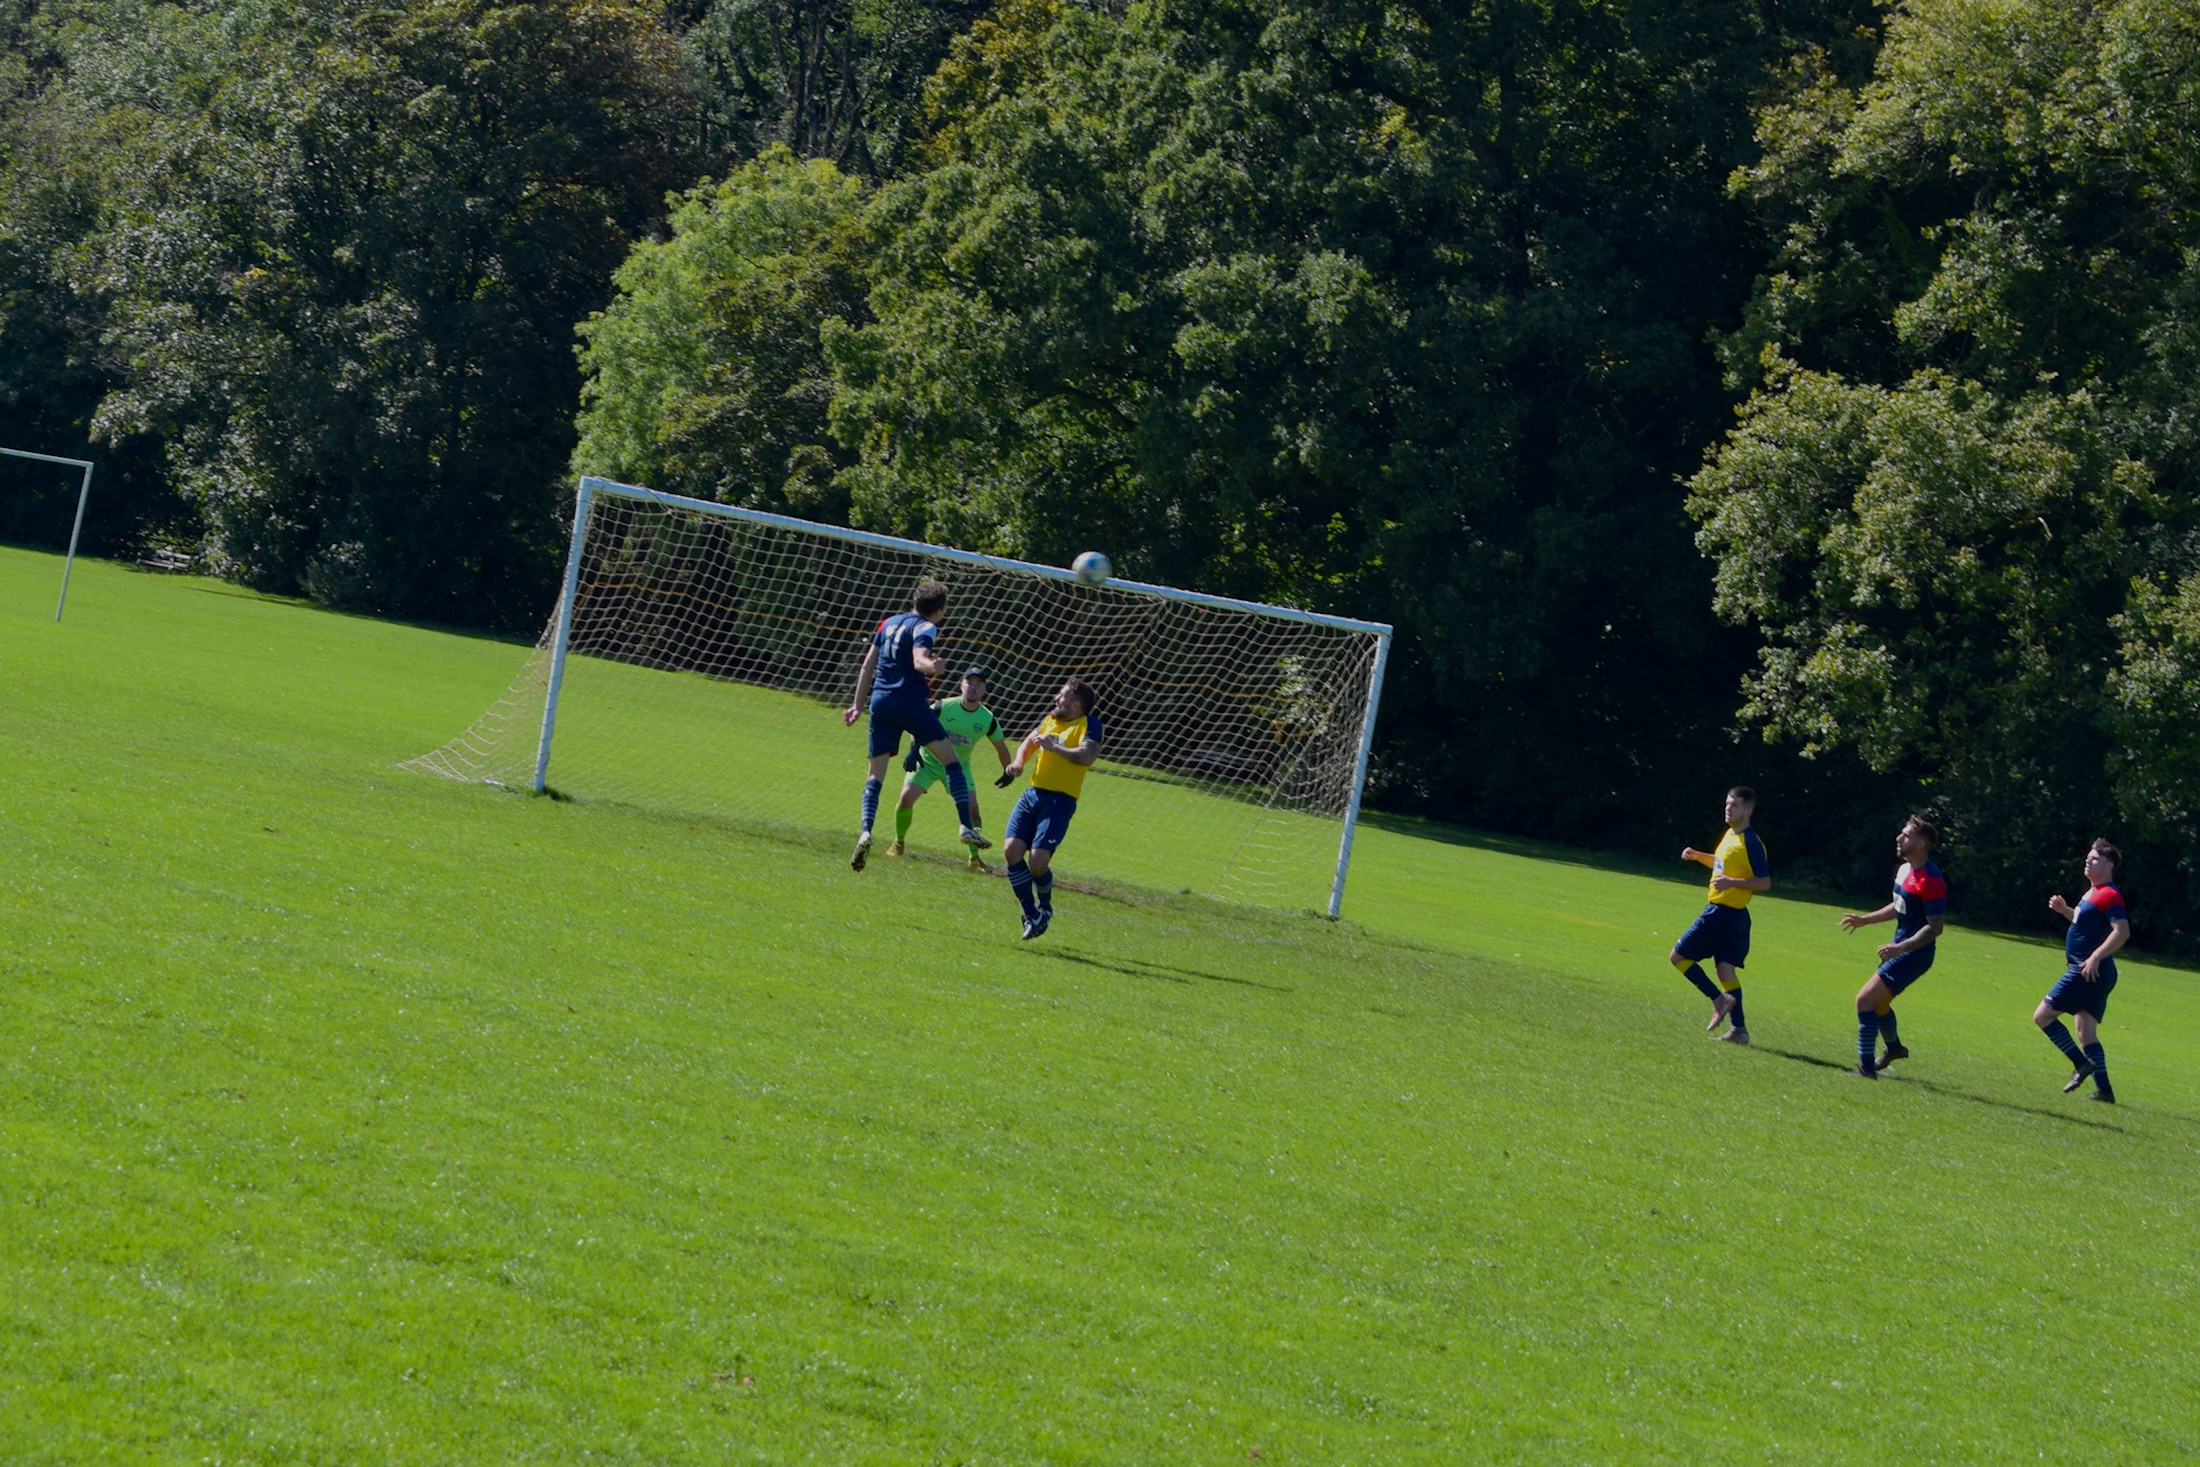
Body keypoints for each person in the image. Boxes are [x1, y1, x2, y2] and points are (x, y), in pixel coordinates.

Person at [841, 581, 988, 871]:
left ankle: (866, 831)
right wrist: (932, 666)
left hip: (880, 702)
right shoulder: (925, 627)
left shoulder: (888, 623)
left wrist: (857, 705)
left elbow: (867, 665)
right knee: (952, 761)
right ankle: (964, 826)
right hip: (909, 702)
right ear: (940, 610)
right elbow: (919, 660)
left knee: (875, 775)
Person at [1838, 817, 1947, 1078]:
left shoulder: (1931, 879)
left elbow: (1935, 927)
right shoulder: (1905, 870)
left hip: (1915, 954)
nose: (1899, 838)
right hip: (1900, 949)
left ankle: (1866, 1069)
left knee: (1864, 999)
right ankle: (1894, 1048)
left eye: (1906, 835)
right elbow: (1899, 907)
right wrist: (1865, 920)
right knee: (1878, 1004)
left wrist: (1902, 948)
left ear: (1921, 843)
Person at [997, 679, 1101, 940]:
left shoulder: (1090, 725)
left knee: (1038, 861)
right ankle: (1032, 914)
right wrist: (1018, 763)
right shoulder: (1050, 720)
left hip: (1060, 801)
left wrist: (1054, 746)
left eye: (1063, 695)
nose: (1057, 698)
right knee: (1011, 850)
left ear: (1076, 704)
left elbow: (1086, 756)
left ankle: (1045, 908)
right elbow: (1030, 743)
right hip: (1032, 794)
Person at [1669, 786, 1770, 1045]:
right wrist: (1697, 856)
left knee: (1678, 957)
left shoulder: (1751, 843)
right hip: (1735, 918)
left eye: (1734, 805)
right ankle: (1739, 1031)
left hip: (1721, 914)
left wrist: (1732, 883)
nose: (1728, 809)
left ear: (1747, 811)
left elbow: (1764, 882)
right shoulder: (1730, 834)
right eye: (1727, 804)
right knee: (1725, 970)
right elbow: (1721, 863)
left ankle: (1719, 999)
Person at [888, 667, 1014, 871]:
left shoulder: (987, 719)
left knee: (973, 810)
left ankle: (974, 858)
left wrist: (1007, 770)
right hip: (927, 762)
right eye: (969, 682)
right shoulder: (942, 706)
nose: (973, 687)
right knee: (905, 799)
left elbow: (1000, 747)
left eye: (978, 684)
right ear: (961, 685)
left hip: (958, 768)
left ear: (984, 690)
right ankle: (898, 842)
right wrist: (914, 749)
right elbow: (917, 724)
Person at [2034, 839, 2129, 1104]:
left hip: (2087, 970)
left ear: (2109, 865)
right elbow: (2083, 922)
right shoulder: (2093, 892)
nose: (2087, 861)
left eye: (2094, 859)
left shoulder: (2110, 893)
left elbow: (2122, 931)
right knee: (2086, 1032)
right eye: (2087, 858)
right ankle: (2104, 1091)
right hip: (2098, 973)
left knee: (2042, 1016)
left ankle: (2080, 1064)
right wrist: (2065, 911)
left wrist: (2095, 956)